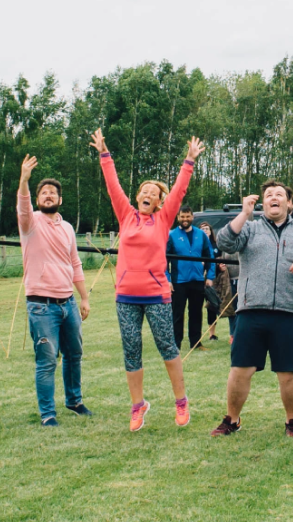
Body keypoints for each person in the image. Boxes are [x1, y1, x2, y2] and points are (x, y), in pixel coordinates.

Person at [92, 129, 202, 432]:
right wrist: (105, 154)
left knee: (168, 347)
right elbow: (113, 186)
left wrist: (188, 162)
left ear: (158, 202)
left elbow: (178, 191)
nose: (147, 195)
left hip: (156, 294)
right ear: (137, 196)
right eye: (144, 191)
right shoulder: (125, 215)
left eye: (153, 193)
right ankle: (138, 406)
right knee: (131, 349)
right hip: (126, 296)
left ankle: (181, 401)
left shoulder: (165, 219)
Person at [211, 181, 293, 438]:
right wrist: (244, 213)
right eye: (268, 195)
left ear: (290, 203)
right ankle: (231, 419)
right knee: (241, 369)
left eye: (279, 195)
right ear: (263, 203)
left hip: (291, 312)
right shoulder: (249, 228)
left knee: (289, 372)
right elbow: (224, 242)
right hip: (251, 310)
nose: (273, 198)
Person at [18, 155, 91, 427]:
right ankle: (48, 414)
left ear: (60, 200)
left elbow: (74, 263)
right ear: (37, 199)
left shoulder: (68, 228)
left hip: (68, 304)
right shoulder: (30, 224)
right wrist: (24, 180)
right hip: (41, 306)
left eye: (53, 193)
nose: (48, 195)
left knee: (74, 355)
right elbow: (23, 208)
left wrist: (83, 297)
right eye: (43, 192)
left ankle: (74, 401)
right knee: (47, 361)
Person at [167, 205, 217, 352]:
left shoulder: (200, 235)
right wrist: (167, 279)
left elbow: (210, 256)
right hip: (178, 281)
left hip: (197, 280)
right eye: (182, 216)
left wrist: (210, 276)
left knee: (196, 313)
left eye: (188, 216)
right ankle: (176, 344)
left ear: (192, 217)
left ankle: (196, 343)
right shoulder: (171, 235)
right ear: (178, 218)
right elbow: (164, 260)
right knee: (177, 314)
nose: (185, 219)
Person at [199, 222, 223, 341]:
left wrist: (219, 266)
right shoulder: (197, 245)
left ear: (211, 231)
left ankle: (212, 334)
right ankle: (196, 334)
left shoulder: (216, 246)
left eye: (207, 229)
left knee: (212, 306)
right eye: (202, 229)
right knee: (197, 306)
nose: (205, 231)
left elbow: (220, 261)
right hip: (198, 279)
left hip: (213, 280)